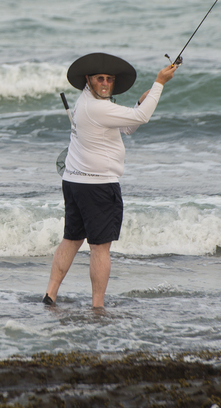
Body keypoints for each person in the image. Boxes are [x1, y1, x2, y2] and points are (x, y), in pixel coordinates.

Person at [43, 52, 177, 309]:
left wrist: (147, 96)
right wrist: (160, 82)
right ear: (88, 80)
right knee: (100, 249)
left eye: (109, 79)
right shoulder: (98, 107)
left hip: (73, 182)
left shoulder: (87, 102)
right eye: (99, 79)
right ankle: (98, 307)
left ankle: (50, 294)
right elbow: (141, 118)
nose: (105, 83)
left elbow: (127, 125)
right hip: (97, 187)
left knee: (71, 239)